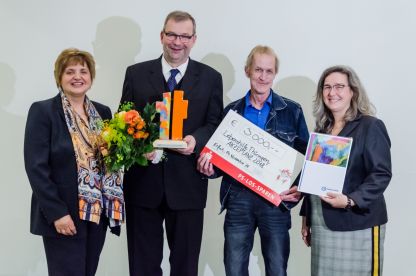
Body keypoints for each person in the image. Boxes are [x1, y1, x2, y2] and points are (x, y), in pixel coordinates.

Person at [120, 11, 223, 276]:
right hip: (143, 184)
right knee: (142, 266)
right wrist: (144, 145)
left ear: (194, 39)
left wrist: (195, 140)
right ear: (162, 36)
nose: (178, 42)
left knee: (186, 267)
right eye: (172, 35)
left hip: (188, 185)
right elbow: (124, 121)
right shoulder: (136, 74)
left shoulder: (211, 78)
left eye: (185, 36)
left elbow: (214, 125)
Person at [198, 45, 309, 276]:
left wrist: (299, 188)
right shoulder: (231, 112)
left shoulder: (292, 111)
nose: (263, 77)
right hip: (238, 198)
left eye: (269, 71)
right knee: (234, 268)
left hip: (275, 201)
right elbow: (220, 162)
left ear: (274, 74)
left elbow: (310, 156)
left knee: (277, 268)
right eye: (258, 70)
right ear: (247, 70)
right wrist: (209, 170)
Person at [24, 48, 124, 276]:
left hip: (97, 213)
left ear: (90, 77)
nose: (77, 77)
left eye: (83, 71)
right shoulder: (43, 111)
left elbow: (110, 159)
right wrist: (57, 213)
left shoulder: (103, 112)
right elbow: (36, 167)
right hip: (64, 213)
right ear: (59, 77)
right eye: (70, 72)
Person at [300, 65, 392, 276]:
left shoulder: (370, 126)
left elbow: (381, 174)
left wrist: (351, 200)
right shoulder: (322, 130)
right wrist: (307, 217)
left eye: (340, 86)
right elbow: (315, 177)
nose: (332, 93)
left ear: (353, 91)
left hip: (359, 222)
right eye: (327, 87)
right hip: (323, 223)